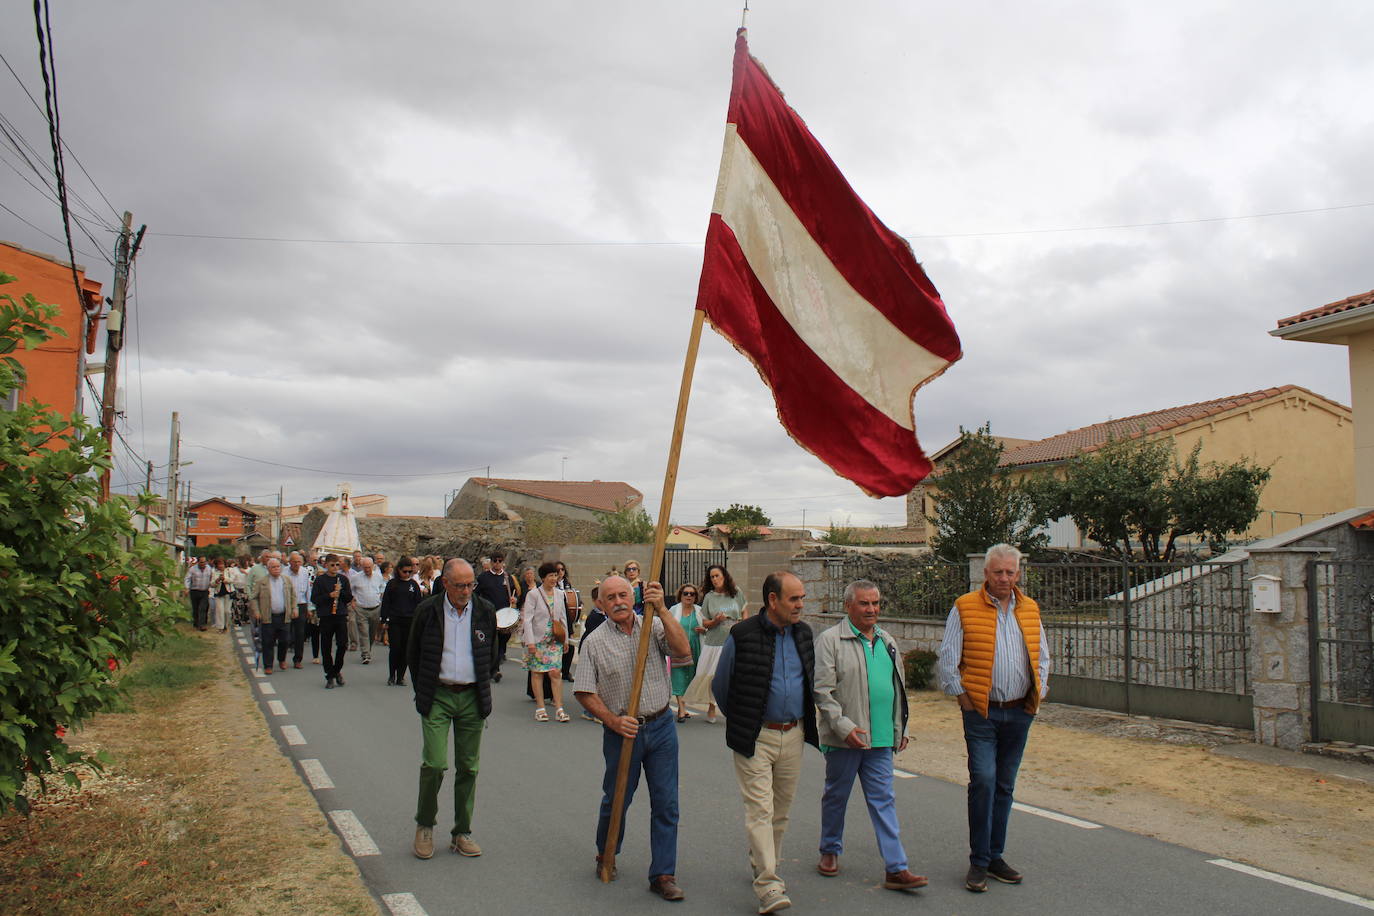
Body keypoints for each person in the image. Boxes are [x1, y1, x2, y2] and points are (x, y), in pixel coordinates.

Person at [937, 543, 1050, 894]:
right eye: (998, 571)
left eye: (1010, 572)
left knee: (1004, 785)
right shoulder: (964, 606)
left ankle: (995, 856)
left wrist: (1039, 690)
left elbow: (1043, 656)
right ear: (985, 573)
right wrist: (965, 699)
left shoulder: (1029, 608)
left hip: (1019, 712)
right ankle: (979, 861)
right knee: (983, 781)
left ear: (1018, 574)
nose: (1004, 577)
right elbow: (948, 658)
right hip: (982, 714)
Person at [575, 575, 690, 901]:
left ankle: (663, 874)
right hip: (622, 732)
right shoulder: (594, 642)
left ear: (633, 595)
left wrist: (664, 610)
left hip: (661, 725)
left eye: (623, 594)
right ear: (601, 603)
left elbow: (682, 651)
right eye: (610, 597)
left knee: (666, 803)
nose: (618, 602)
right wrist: (612, 720)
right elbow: (584, 692)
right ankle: (606, 853)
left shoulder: (652, 625)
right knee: (617, 799)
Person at [711, 571, 816, 915]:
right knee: (760, 809)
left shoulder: (804, 634)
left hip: (794, 734)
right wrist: (744, 719)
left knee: (781, 812)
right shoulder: (742, 635)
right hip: (756, 736)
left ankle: (764, 861)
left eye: (801, 598)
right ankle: (769, 883)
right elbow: (721, 687)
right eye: (794, 599)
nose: (800, 604)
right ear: (773, 600)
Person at [813, 580, 926, 891]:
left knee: (883, 801)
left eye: (876, 603)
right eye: (865, 604)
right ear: (849, 606)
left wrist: (899, 729)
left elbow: (897, 689)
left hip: (879, 740)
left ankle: (896, 867)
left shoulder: (887, 640)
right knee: (836, 796)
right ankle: (830, 850)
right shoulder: (830, 640)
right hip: (845, 738)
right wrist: (844, 728)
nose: (872, 609)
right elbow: (822, 692)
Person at [407, 558, 498, 860]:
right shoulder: (428, 611)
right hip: (438, 696)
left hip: (472, 697)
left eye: (470, 584)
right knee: (434, 764)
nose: (465, 591)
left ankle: (462, 832)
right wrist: (425, 691)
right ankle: (425, 825)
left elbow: (491, 652)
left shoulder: (484, 611)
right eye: (459, 585)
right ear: (445, 583)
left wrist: (481, 685)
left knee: (469, 768)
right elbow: (414, 653)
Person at [684, 564, 748, 723]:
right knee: (713, 676)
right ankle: (712, 707)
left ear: (724, 576)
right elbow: (705, 623)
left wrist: (742, 626)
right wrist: (715, 620)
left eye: (717, 575)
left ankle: (734, 709)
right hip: (714, 641)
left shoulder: (736, 593)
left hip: (733, 640)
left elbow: (745, 613)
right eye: (712, 577)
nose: (714, 579)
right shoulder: (709, 597)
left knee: (733, 676)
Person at [522, 562, 569, 723]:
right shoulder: (533, 595)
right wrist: (530, 642)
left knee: (555, 672)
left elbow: (562, 617)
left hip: (555, 639)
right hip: (538, 639)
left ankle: (559, 708)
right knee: (537, 673)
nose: (554, 579)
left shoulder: (559, 594)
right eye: (551, 576)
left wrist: (566, 639)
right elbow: (527, 619)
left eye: (556, 575)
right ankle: (540, 708)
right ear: (543, 578)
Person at [310, 554, 354, 688]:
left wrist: (340, 593)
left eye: (337, 565)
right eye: (332, 565)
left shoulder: (343, 579)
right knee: (326, 647)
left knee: (342, 645)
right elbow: (314, 599)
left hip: (340, 615)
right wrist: (329, 595)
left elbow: (348, 598)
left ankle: (336, 670)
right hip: (326, 616)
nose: (335, 567)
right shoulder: (320, 580)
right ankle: (329, 675)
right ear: (326, 565)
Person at [474, 551, 518, 682]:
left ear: (503, 562)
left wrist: (514, 598)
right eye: (495, 560)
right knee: (491, 643)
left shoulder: (508, 577)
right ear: (491, 562)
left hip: (504, 616)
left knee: (501, 643)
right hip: (488, 615)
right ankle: (494, 670)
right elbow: (475, 594)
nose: (497, 563)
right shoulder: (483, 577)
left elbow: (516, 594)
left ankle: (493, 667)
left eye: (500, 561)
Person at [381, 555, 423, 686]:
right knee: (395, 648)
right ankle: (391, 674)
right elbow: (386, 602)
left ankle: (401, 676)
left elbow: (418, 604)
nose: (407, 574)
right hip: (395, 620)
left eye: (410, 571)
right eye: (404, 571)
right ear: (398, 570)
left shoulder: (413, 585)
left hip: (409, 621)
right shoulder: (392, 584)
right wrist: (384, 620)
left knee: (406, 649)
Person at [251, 558, 298, 674]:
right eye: (273, 567)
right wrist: (256, 611)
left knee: (285, 640)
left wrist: (294, 608)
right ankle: (268, 665)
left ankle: (282, 659)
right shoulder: (262, 582)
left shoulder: (286, 580)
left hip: (284, 616)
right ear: (268, 569)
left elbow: (293, 596)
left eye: (278, 567)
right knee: (268, 642)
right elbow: (253, 598)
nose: (277, 569)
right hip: (268, 616)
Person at [669, 584, 703, 722]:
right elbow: (666, 625)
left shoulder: (700, 611)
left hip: (695, 647)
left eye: (692, 594)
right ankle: (681, 709)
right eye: (686, 593)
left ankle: (684, 705)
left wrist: (704, 630)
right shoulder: (673, 610)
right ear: (680, 595)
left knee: (691, 675)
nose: (689, 596)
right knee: (678, 675)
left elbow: (707, 627)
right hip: (678, 648)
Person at [349, 556, 385, 664]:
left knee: (372, 632)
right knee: (363, 631)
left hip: (375, 607)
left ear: (373, 566)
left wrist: (380, 598)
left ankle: (368, 648)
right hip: (361, 608)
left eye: (369, 567)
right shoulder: (356, 577)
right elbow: (350, 590)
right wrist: (353, 600)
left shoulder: (378, 576)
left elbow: (382, 588)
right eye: (365, 567)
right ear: (361, 567)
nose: (367, 570)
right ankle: (366, 654)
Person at [284, 552, 315, 669]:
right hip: (287, 605)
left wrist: (309, 607)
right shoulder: (284, 572)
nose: (297, 564)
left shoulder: (304, 572)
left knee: (300, 633)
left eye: (299, 562)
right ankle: (282, 658)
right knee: (285, 633)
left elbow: (308, 589)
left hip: (301, 604)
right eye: (294, 562)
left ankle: (298, 659)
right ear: (289, 562)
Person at [184, 555, 213, 631]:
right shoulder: (193, 569)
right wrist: (187, 588)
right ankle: (196, 623)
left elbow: (211, 578)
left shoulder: (209, 569)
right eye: (201, 562)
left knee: (203, 608)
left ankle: (202, 624)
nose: (203, 564)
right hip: (195, 591)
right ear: (198, 562)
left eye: (204, 562)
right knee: (195, 608)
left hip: (205, 591)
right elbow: (187, 579)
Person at [209, 557, 232, 632]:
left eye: (222, 564)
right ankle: (220, 627)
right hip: (218, 593)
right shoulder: (214, 572)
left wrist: (225, 579)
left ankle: (226, 625)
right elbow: (211, 584)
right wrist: (217, 580)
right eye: (219, 564)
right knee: (219, 610)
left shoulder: (229, 571)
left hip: (228, 592)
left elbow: (233, 580)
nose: (221, 566)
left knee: (227, 611)